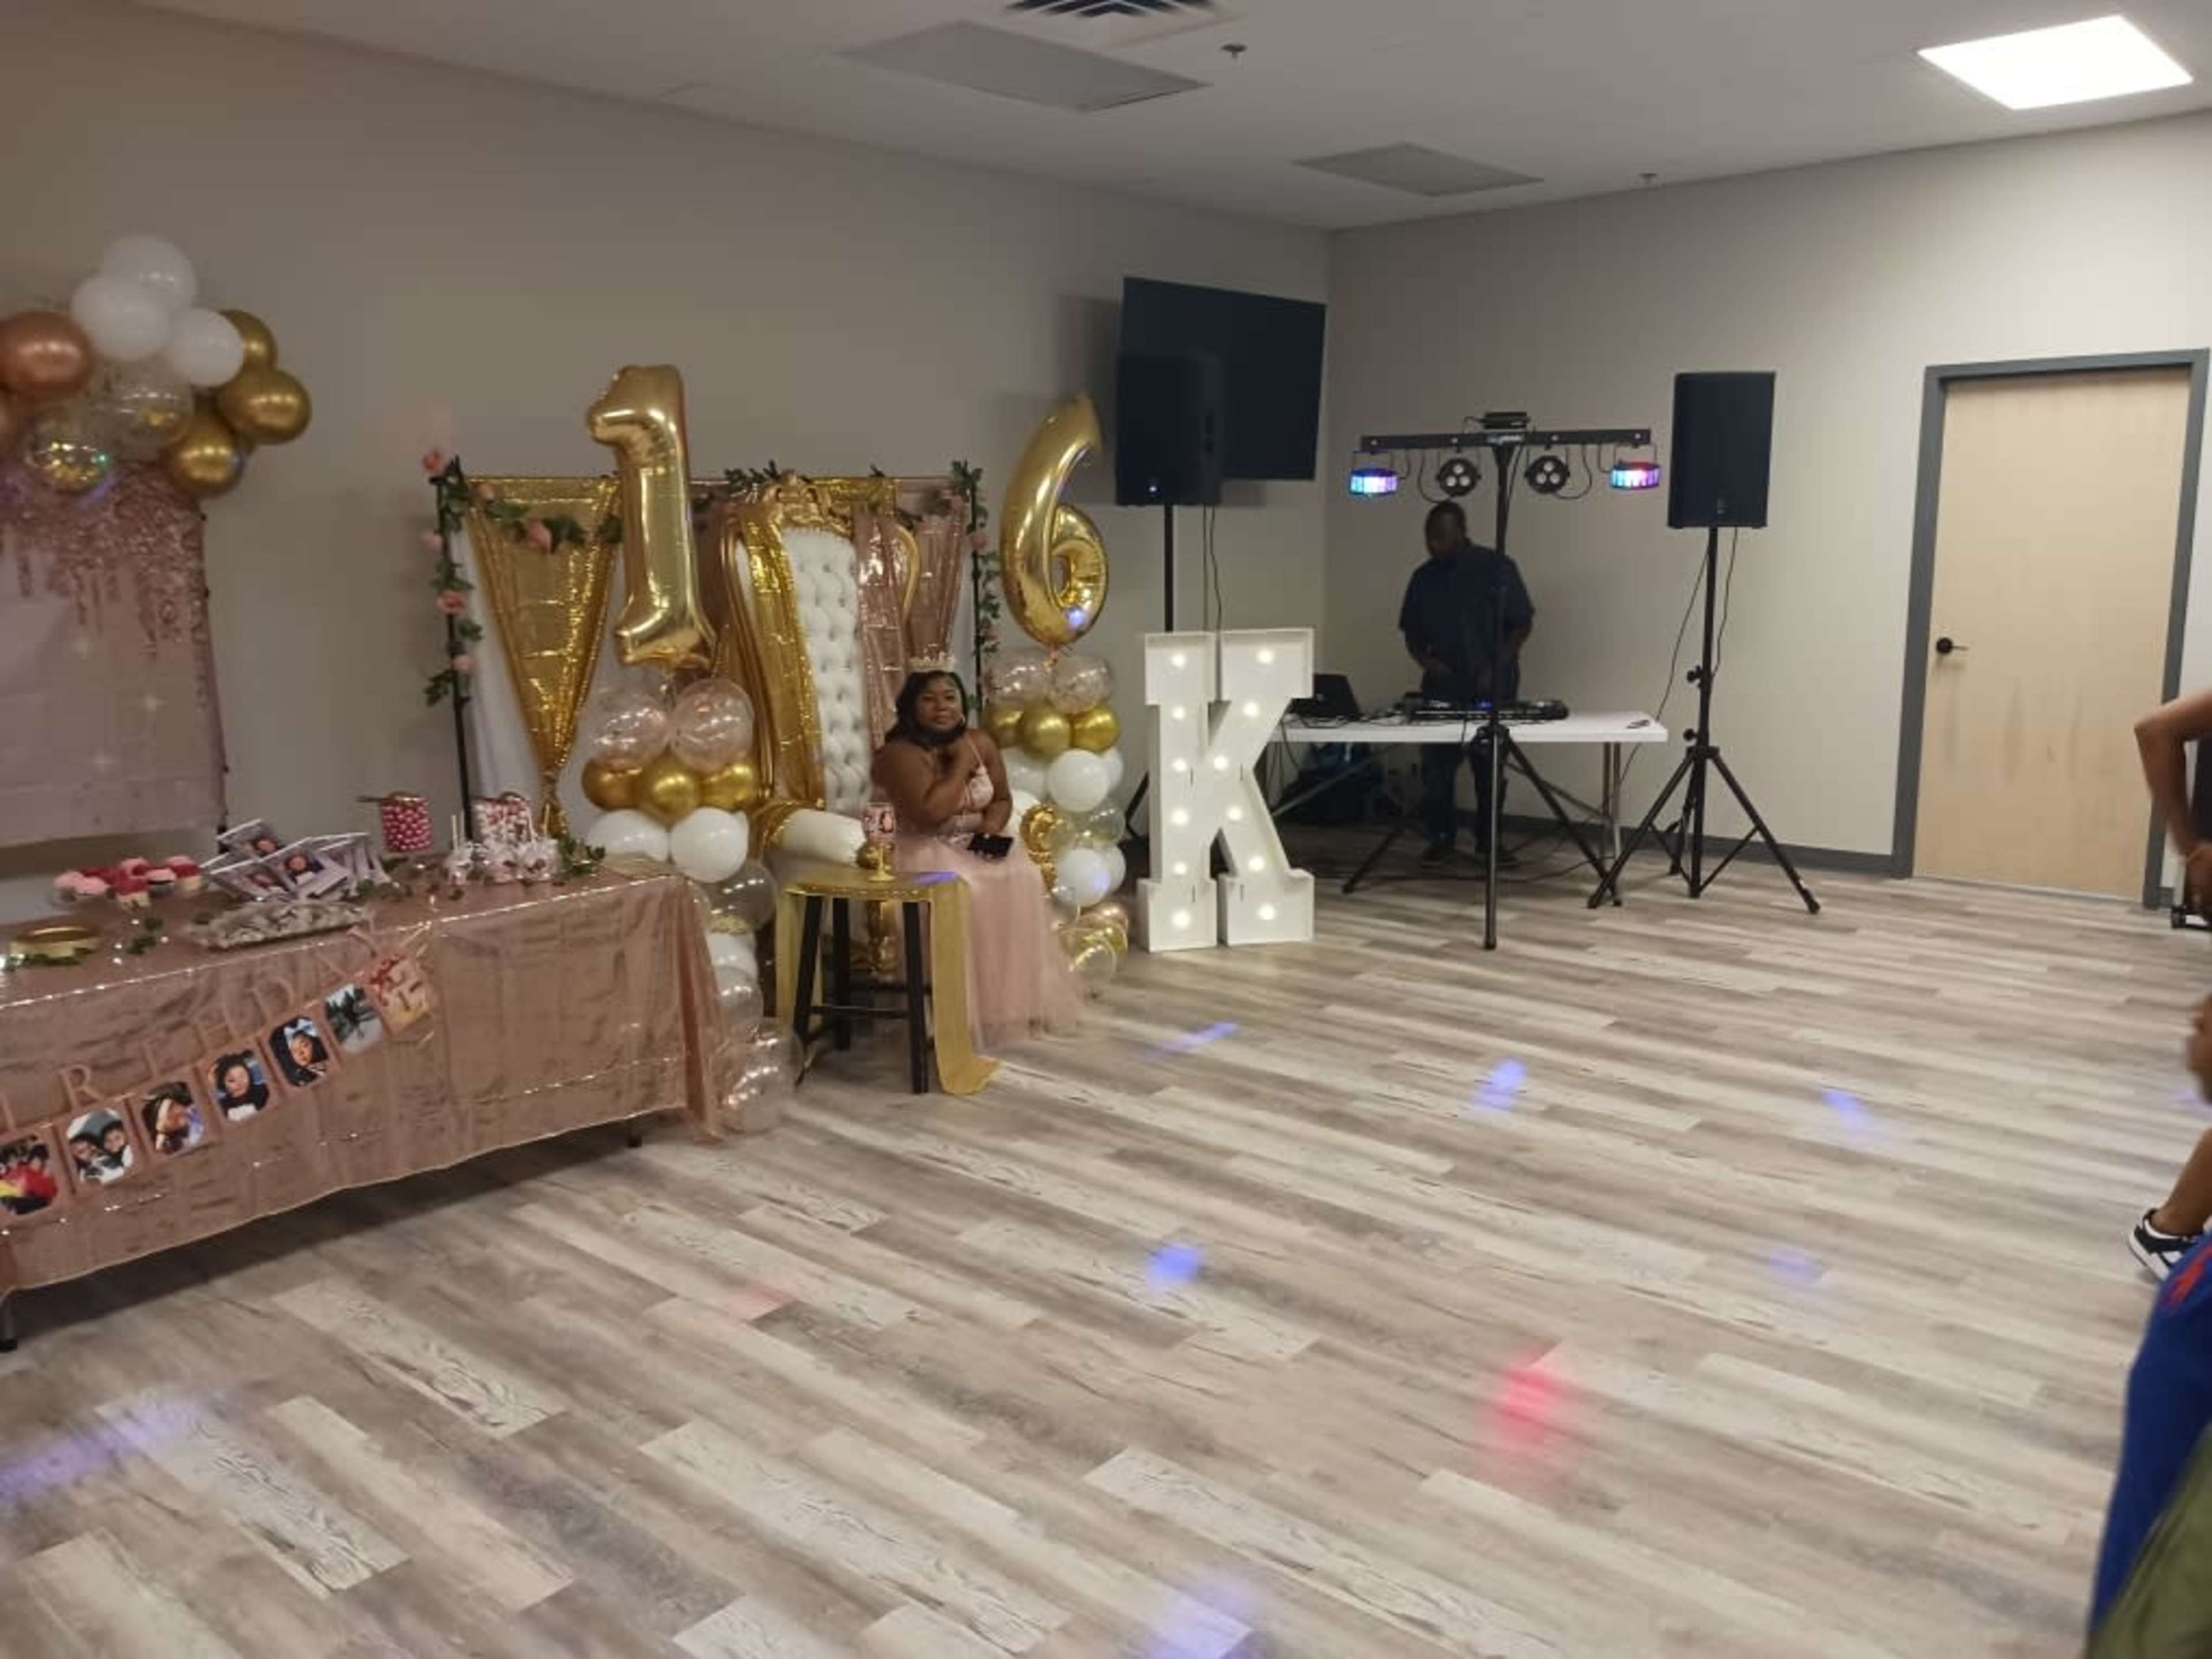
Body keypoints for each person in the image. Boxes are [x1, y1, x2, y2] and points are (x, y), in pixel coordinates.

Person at [870, 664, 1079, 1049]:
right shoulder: (900, 753)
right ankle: (952, 1010)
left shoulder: (979, 741)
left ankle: (1009, 1003)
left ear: (962, 703)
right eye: (929, 700)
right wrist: (962, 766)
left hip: (972, 840)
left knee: (1023, 875)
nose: (941, 707)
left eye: (949, 698)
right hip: (924, 845)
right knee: (966, 887)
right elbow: (930, 812)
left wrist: (988, 833)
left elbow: (1001, 799)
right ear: (910, 707)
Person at [1399, 499, 1535, 864]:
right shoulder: (1423, 577)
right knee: (1438, 767)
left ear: (1461, 531)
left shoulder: (1497, 568)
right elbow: (1410, 634)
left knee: (1489, 767)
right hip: (1443, 686)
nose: (1434, 544)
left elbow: (1522, 623)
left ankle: (1489, 840)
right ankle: (1441, 836)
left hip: (1493, 683)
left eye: (1441, 536)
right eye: (1429, 537)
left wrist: (1498, 663)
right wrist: (1427, 661)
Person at [274, 1021, 331, 1088]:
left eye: (304, 1046)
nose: (300, 1053)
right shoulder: (297, 1078)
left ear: (316, 1044)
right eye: (294, 1051)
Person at [214, 1054, 271, 1119]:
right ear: (223, 1084)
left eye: (242, 1076)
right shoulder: (221, 1108)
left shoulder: (264, 1091)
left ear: (249, 1074)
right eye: (232, 1080)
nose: (239, 1083)